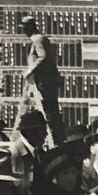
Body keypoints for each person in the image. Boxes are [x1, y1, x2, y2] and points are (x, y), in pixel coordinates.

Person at [18, 15, 65, 145]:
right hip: (43, 81)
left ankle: (56, 139)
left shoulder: (38, 39)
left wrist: (30, 70)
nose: (23, 31)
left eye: (24, 28)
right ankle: (56, 138)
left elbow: (43, 57)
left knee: (50, 112)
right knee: (50, 111)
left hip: (46, 82)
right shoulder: (36, 39)